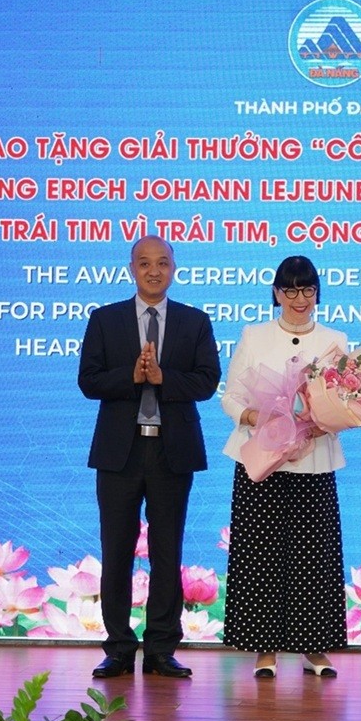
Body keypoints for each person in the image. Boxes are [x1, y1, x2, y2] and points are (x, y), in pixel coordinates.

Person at [78, 235, 221, 679]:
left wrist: (162, 378)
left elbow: (206, 381)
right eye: (144, 263)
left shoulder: (194, 322)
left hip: (170, 450)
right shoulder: (105, 320)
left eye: (162, 263)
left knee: (166, 551)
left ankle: (161, 647)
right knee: (116, 550)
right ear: (131, 269)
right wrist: (132, 375)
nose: (154, 270)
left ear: (174, 268)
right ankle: (119, 647)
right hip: (119, 452)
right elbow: (89, 380)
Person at [220, 256, 348, 679]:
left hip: (313, 459)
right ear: (276, 293)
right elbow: (230, 397)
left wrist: (324, 417)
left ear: (317, 294)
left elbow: (347, 402)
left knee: (314, 558)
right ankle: (264, 648)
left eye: (307, 290)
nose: (299, 299)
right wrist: (259, 420)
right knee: (260, 556)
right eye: (289, 290)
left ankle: (315, 648)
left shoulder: (335, 340)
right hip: (262, 463)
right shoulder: (254, 335)